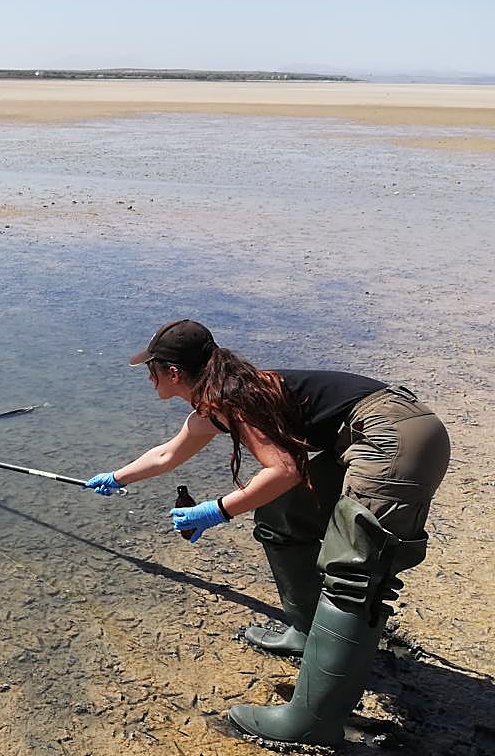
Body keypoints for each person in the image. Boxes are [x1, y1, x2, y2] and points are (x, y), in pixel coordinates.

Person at [83, 320, 450, 746]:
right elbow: (167, 454)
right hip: (374, 432)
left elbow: (284, 469)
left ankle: (312, 722)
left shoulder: (237, 400)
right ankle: (306, 630)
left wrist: (216, 511)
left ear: (174, 373)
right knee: (281, 514)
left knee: (354, 574)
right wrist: (117, 477)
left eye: (153, 369)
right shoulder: (219, 399)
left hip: (392, 438)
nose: (149, 378)